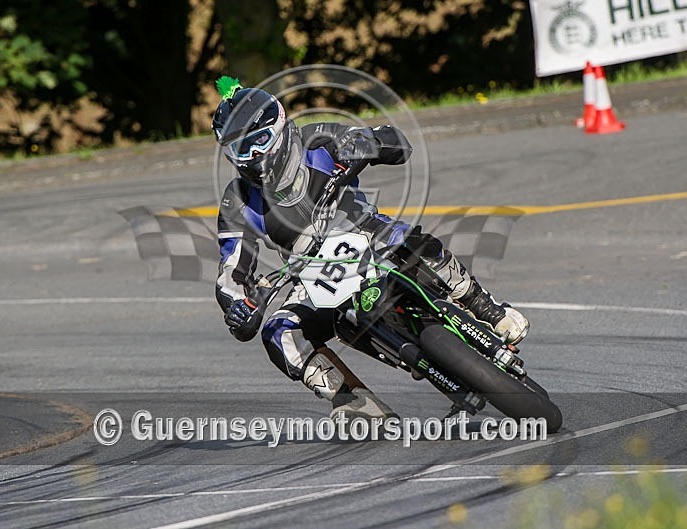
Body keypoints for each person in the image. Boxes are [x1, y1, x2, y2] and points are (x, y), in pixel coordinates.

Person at [212, 77, 529, 421]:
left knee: (413, 242)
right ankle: (355, 402)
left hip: (368, 233)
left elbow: (397, 142)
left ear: (280, 125)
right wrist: (238, 307)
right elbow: (231, 272)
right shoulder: (237, 200)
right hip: (313, 275)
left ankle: (488, 309)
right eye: (240, 149)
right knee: (279, 332)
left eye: (259, 142)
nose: (253, 156)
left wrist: (369, 145)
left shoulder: (318, 139)